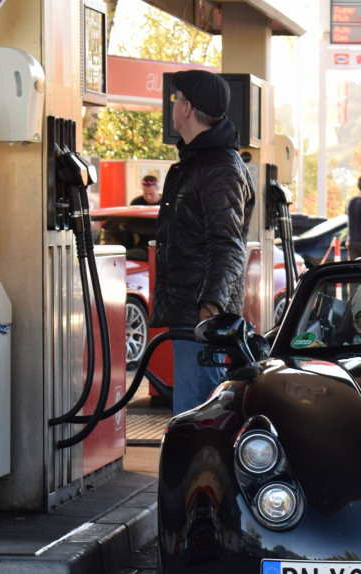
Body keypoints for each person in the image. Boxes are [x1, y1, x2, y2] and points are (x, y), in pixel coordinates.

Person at [151, 69, 256, 413]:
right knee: (193, 412)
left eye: (174, 99)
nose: (172, 107)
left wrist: (209, 311)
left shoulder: (220, 167)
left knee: (197, 415)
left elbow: (228, 245)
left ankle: (193, 469)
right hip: (190, 312)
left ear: (186, 108)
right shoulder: (199, 163)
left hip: (200, 319)